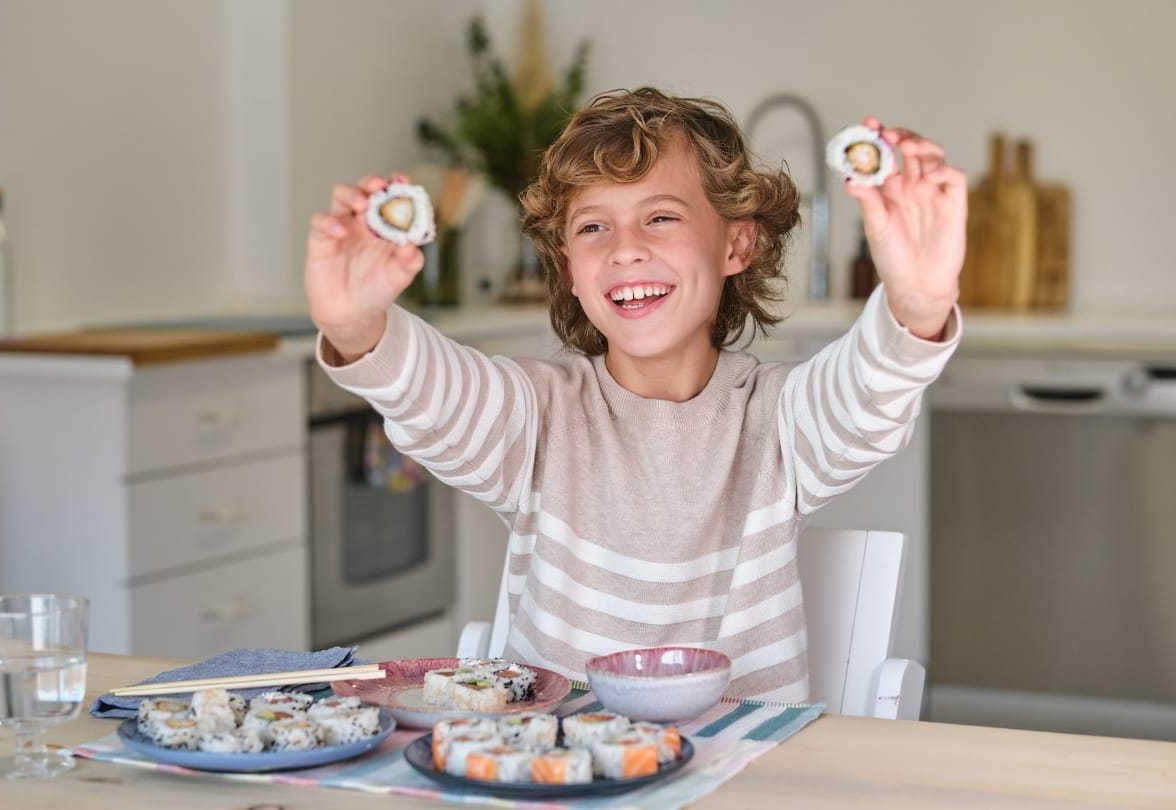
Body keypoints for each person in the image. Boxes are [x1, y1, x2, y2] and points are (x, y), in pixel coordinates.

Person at [304, 87, 965, 702]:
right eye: (593, 227)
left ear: (736, 242)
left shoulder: (779, 421)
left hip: (742, 765)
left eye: (661, 217)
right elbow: (434, 395)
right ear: (569, 265)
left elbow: (863, 397)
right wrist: (356, 326)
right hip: (552, 766)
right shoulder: (537, 417)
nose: (625, 249)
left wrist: (916, 305)